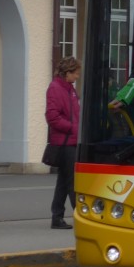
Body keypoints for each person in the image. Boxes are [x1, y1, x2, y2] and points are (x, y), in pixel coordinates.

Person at [46, 56, 80, 229]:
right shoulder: (55, 88)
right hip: (65, 142)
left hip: (71, 140)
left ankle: (57, 216)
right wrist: (74, 128)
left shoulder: (70, 90)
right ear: (67, 73)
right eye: (75, 73)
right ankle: (80, 217)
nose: (77, 77)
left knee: (63, 181)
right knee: (72, 182)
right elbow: (52, 117)